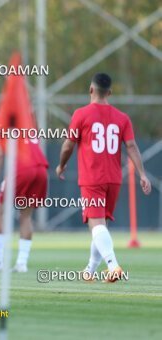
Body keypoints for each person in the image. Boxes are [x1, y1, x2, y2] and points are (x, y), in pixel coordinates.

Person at [57, 73, 151, 282]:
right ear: (109, 92)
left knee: (95, 224)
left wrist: (61, 165)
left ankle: (113, 265)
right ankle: (90, 270)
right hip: (114, 179)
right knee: (101, 225)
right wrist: (142, 174)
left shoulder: (81, 114)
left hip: (92, 178)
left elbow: (68, 144)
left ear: (91, 90)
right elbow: (132, 147)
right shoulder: (122, 118)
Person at [0, 104, 49, 273]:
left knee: (1, 213)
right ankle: (22, 263)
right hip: (41, 168)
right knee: (26, 217)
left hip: (21, 169)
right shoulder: (25, 120)